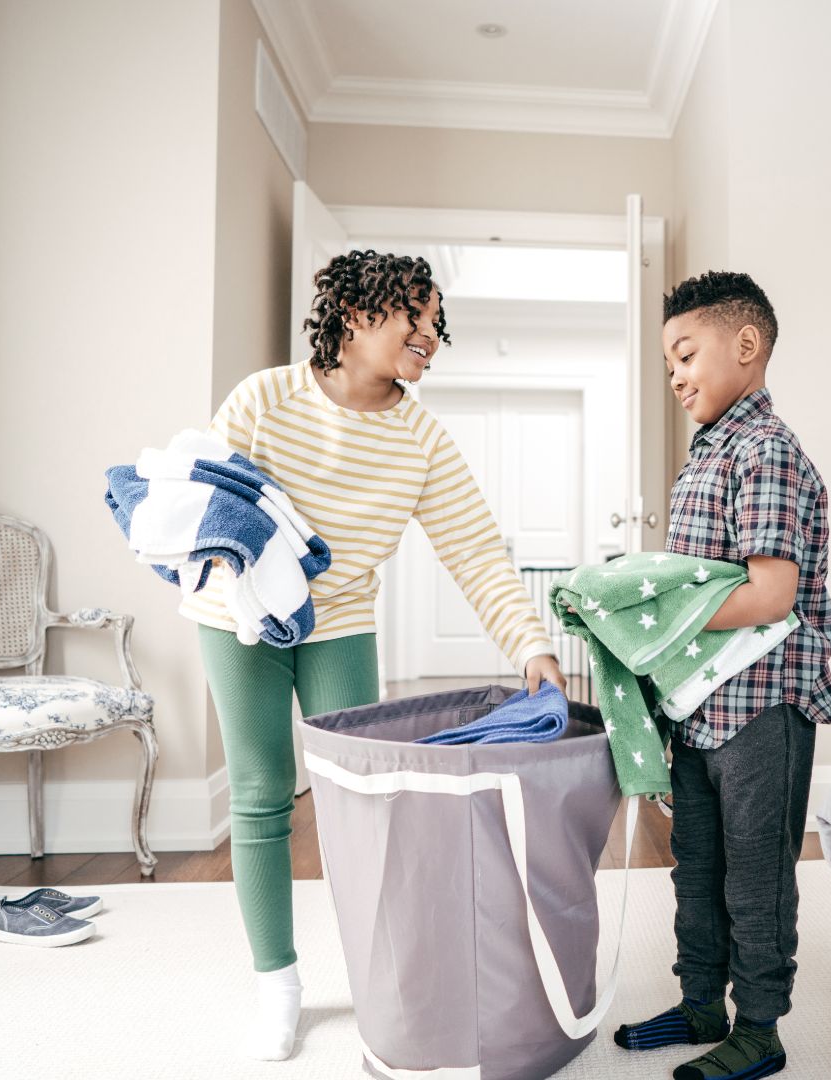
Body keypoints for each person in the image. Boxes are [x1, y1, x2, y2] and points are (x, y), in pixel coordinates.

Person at [182, 249, 565, 1060]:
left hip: (343, 619)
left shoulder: (420, 439)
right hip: (238, 611)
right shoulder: (265, 398)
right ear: (355, 316)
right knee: (258, 792)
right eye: (412, 320)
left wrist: (530, 644)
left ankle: (378, 973)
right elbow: (211, 510)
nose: (429, 337)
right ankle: (277, 985)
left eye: (435, 326)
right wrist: (245, 578)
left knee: (364, 794)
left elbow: (475, 550)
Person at [613, 271, 831, 1080]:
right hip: (701, 707)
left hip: (762, 706)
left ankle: (763, 1028)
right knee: (698, 862)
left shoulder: (767, 452)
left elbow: (770, 591)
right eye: (667, 362)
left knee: (756, 871)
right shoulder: (704, 457)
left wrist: (653, 610)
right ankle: (702, 999)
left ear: (746, 346)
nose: (675, 374)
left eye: (685, 353)